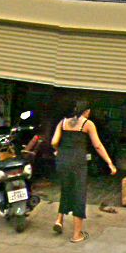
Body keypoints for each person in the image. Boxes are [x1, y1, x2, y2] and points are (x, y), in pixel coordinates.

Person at [51, 100, 117, 242]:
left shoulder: (63, 122)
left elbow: (54, 141)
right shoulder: (87, 124)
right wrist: (109, 162)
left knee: (66, 189)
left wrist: (58, 151)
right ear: (87, 111)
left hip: (62, 161)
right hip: (78, 163)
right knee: (78, 194)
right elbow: (98, 145)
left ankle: (59, 220)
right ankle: (77, 235)